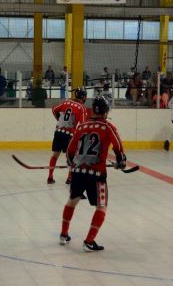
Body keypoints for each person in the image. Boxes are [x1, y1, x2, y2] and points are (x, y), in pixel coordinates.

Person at [59, 96, 126, 252]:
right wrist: (121, 161)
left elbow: (70, 150)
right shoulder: (108, 127)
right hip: (97, 174)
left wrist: (71, 162)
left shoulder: (81, 126)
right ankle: (89, 241)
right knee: (101, 206)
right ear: (105, 111)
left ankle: (63, 234)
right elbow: (118, 146)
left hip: (77, 171)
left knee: (72, 201)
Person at [47, 87, 88, 184]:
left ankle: (50, 177)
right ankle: (70, 178)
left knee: (55, 155)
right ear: (83, 97)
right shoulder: (82, 108)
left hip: (58, 132)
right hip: (69, 135)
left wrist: (59, 119)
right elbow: (83, 125)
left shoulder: (66, 103)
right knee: (72, 157)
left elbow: (54, 110)